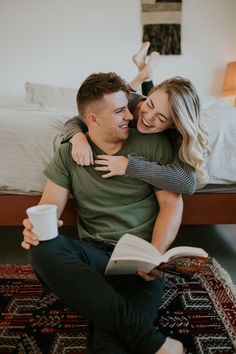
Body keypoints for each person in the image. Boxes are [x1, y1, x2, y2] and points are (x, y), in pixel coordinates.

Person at [22, 72, 184, 354]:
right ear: (93, 120)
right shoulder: (67, 153)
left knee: (109, 339)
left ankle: (110, 311)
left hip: (139, 259)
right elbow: (49, 205)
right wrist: (35, 229)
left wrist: (154, 256)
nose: (133, 117)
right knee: (41, 248)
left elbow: (172, 203)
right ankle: (150, 340)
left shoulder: (154, 144)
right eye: (120, 111)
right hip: (93, 256)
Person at [63, 42, 209, 194]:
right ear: (149, 96)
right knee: (125, 92)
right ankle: (144, 75)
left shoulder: (177, 132)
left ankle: (144, 71)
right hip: (137, 98)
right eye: (150, 104)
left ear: (173, 124)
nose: (149, 118)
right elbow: (77, 120)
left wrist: (129, 166)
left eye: (162, 118)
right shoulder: (132, 103)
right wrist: (78, 138)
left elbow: (186, 182)